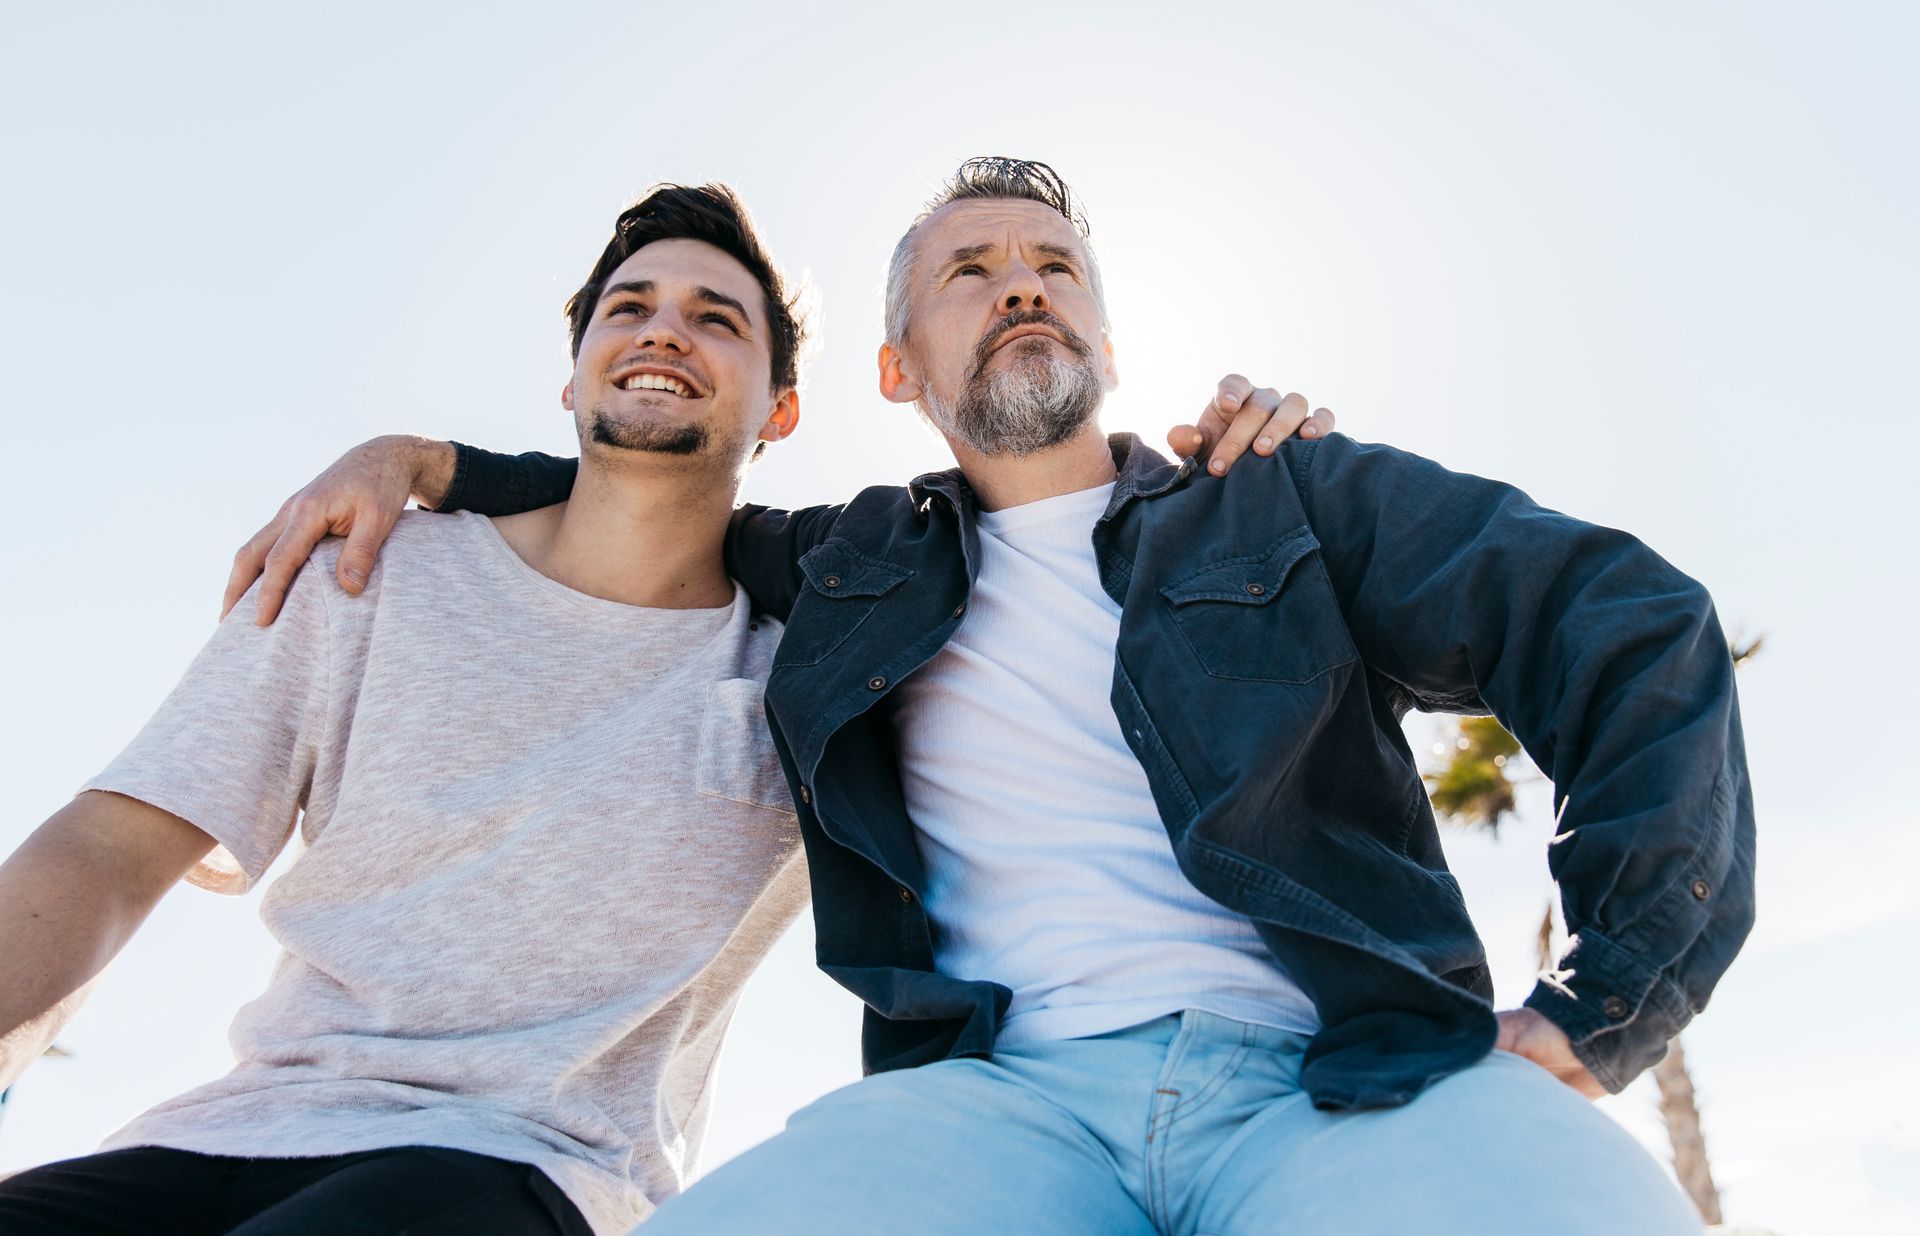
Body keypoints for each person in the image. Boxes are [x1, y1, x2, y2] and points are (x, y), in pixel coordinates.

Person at [229, 157, 1742, 1234]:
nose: (1019, 283)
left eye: (1051, 266)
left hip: (1351, 1077)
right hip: (995, 1108)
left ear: (1103, 334)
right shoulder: (844, 568)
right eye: (971, 270)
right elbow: (648, 487)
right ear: (899, 369)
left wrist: (1601, 1003)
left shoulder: (1283, 499)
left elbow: (1625, 627)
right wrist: (431, 465)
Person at [0, 178, 1315, 1235]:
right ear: (571, 378)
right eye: (627, 309)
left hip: (527, 1175)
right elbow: (116, 845)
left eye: (716, 318)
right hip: (221, 1130)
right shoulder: (370, 566)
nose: (663, 330)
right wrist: (414, 461)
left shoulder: (827, 653)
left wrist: (1239, 472)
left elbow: (1057, 580)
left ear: (783, 408)